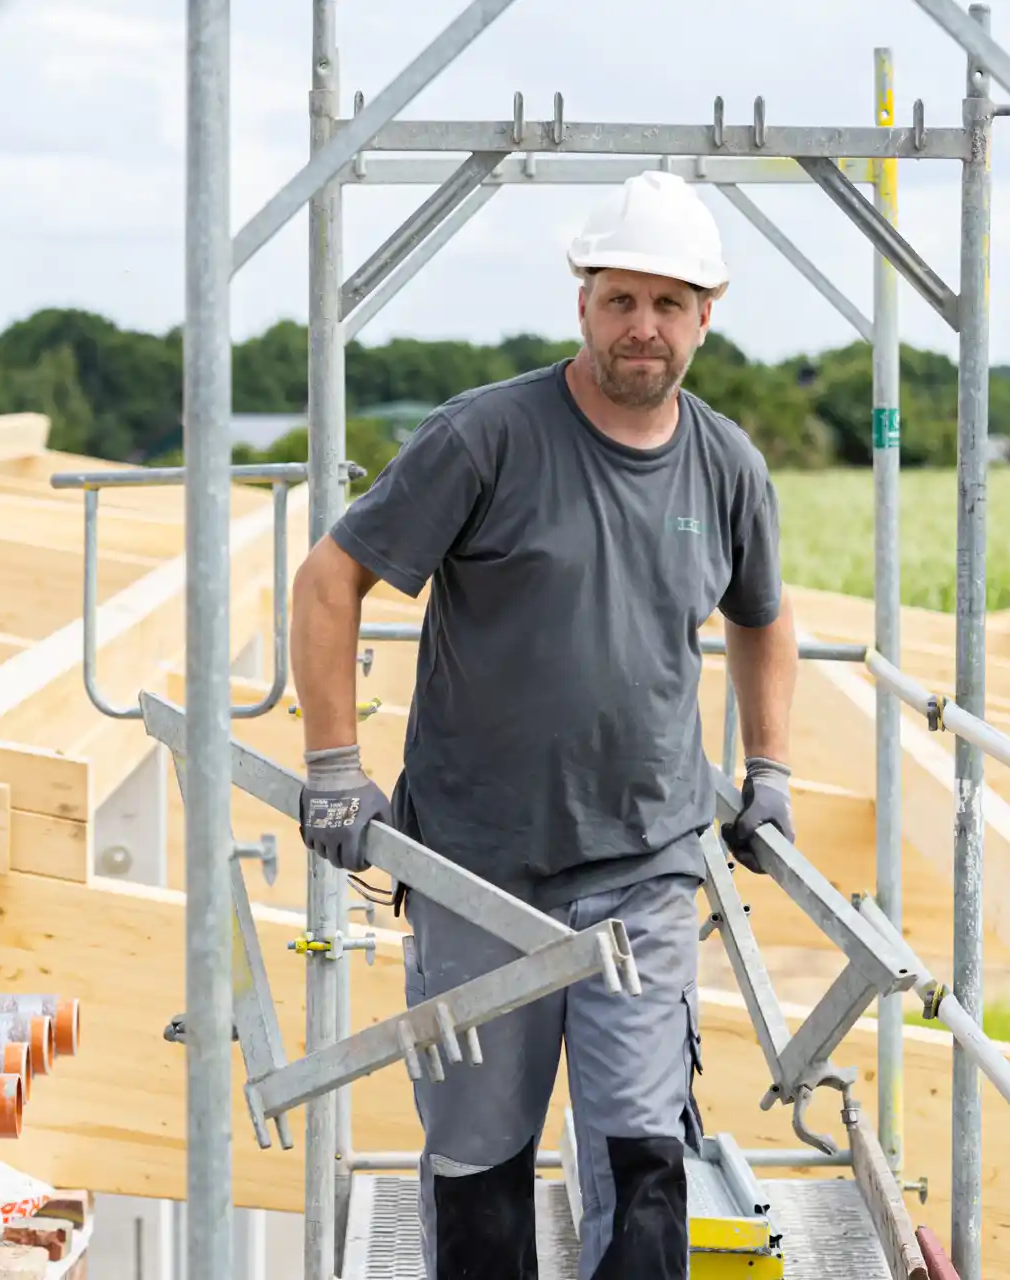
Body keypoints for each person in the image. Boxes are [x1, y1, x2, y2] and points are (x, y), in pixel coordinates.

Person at [287, 169, 799, 1280]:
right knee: (480, 1166)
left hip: (647, 868)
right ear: (582, 301)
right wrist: (333, 763)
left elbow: (764, 617)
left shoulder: (727, 466)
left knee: (644, 1161)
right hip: (478, 870)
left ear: (707, 313)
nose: (643, 327)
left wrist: (772, 769)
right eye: (621, 299)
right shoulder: (486, 438)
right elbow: (330, 579)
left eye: (669, 304)